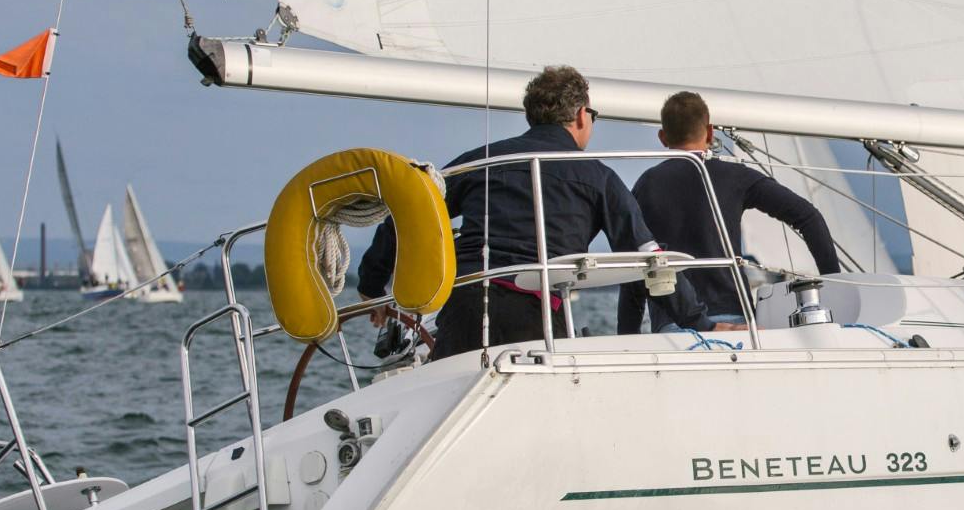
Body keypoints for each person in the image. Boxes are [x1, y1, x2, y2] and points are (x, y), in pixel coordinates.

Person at [358, 64, 702, 358]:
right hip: (536, 317)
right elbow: (651, 260)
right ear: (582, 115)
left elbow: (413, 209)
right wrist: (699, 321)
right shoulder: (600, 178)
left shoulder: (485, 161)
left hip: (468, 306)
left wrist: (372, 287)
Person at [616, 90, 841, 334]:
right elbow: (808, 217)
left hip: (672, 326)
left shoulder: (645, 185)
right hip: (735, 321)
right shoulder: (735, 177)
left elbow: (635, 266)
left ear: (662, 137)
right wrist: (836, 287)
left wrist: (627, 336)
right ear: (710, 132)